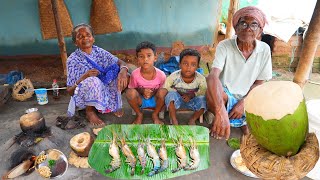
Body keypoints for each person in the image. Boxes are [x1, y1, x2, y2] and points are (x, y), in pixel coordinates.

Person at [206, 6, 272, 139]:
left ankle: (239, 121)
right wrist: (220, 111)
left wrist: (243, 103)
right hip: (226, 94)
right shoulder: (224, 45)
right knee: (211, 92)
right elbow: (213, 76)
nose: (248, 28)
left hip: (248, 95)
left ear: (260, 31)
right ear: (236, 28)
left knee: (267, 100)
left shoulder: (264, 49)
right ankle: (224, 117)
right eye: (243, 23)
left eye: (254, 24)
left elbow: (260, 83)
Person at [66, 23, 129, 126]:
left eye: (88, 35)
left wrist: (123, 71)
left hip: (103, 86)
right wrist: (84, 77)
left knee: (125, 76)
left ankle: (110, 104)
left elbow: (121, 63)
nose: (85, 38)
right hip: (83, 95)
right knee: (93, 80)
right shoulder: (72, 60)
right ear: (75, 43)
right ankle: (89, 111)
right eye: (80, 37)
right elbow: (70, 91)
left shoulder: (99, 52)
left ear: (93, 38)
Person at [126, 41, 167, 124]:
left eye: (149, 56)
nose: (145, 59)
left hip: (155, 101)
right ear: (137, 59)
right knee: (129, 92)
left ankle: (155, 114)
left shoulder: (161, 75)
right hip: (141, 100)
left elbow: (161, 92)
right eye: (141, 56)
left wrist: (153, 92)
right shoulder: (135, 74)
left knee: (164, 92)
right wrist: (142, 91)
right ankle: (139, 114)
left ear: (155, 57)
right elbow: (133, 89)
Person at [164, 49, 207, 125]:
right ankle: (174, 120)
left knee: (204, 99)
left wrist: (192, 95)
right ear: (179, 64)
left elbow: (203, 91)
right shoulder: (174, 76)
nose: (189, 67)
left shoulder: (201, 79)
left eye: (193, 64)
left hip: (193, 102)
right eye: (185, 63)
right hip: (178, 101)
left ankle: (193, 119)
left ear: (197, 66)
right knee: (170, 95)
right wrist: (178, 93)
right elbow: (166, 87)